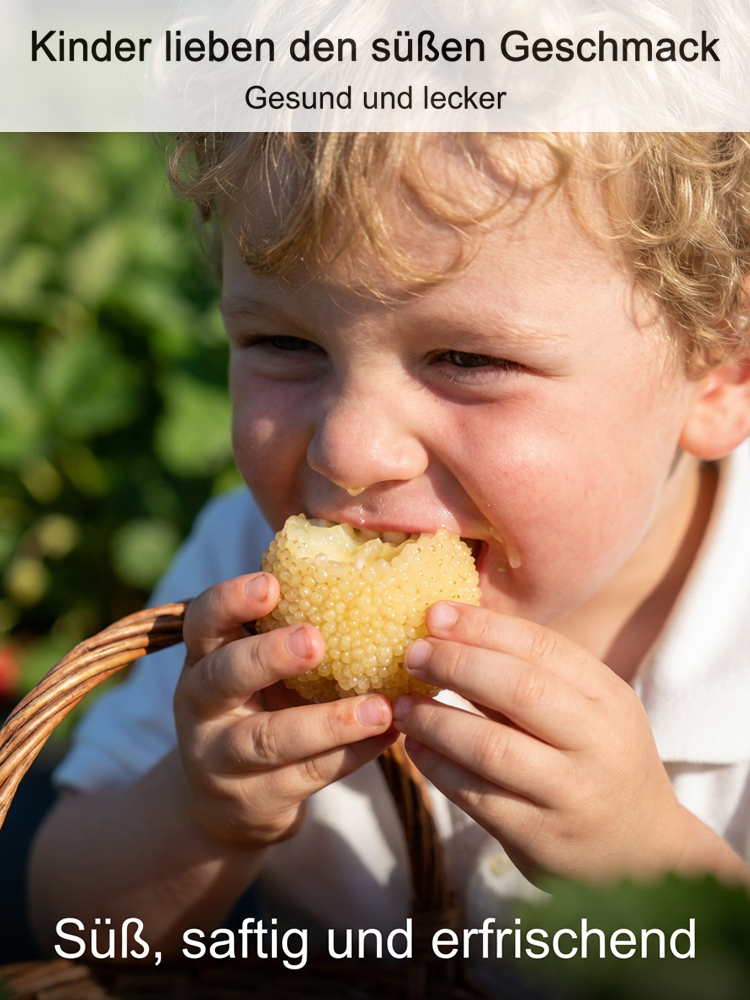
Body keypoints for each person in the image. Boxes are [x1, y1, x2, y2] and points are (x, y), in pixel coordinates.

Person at [28, 133, 750, 957]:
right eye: (286, 344)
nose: (348, 450)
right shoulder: (241, 568)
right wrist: (200, 813)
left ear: (720, 374)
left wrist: (654, 863)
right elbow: (71, 925)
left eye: (467, 359)